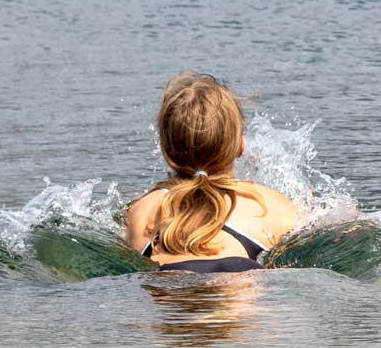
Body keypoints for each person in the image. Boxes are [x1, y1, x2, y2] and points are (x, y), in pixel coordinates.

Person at [123, 73, 300, 274]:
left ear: (166, 148)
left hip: (169, 287)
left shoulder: (142, 210)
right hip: (239, 275)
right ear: (240, 145)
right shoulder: (268, 204)